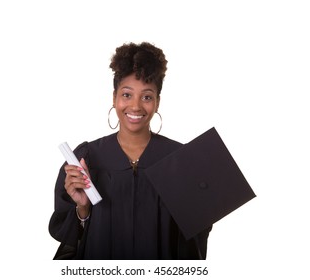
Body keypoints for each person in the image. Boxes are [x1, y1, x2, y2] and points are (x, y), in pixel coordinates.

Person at [49, 42, 212, 259]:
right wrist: (83, 210)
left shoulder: (180, 160)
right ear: (114, 97)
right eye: (127, 95)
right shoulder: (86, 157)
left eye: (146, 96)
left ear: (157, 102)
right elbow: (71, 239)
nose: (135, 106)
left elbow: (194, 240)